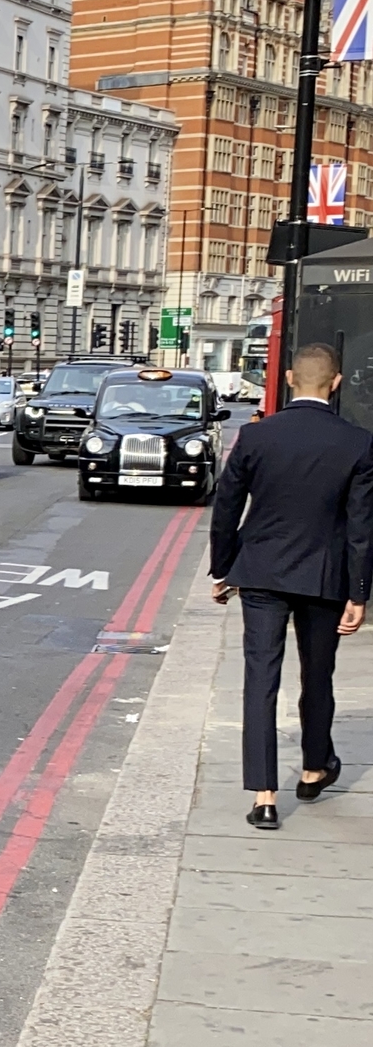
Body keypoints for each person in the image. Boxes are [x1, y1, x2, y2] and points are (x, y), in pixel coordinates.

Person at [209, 343, 373, 829]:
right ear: (336, 383)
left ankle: (263, 796)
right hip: (324, 576)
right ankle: (313, 767)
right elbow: (363, 528)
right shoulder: (357, 443)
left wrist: (223, 570)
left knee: (260, 678)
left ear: (285, 379)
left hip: (260, 572)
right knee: (317, 675)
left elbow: (226, 509)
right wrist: (359, 593)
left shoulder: (257, 437)